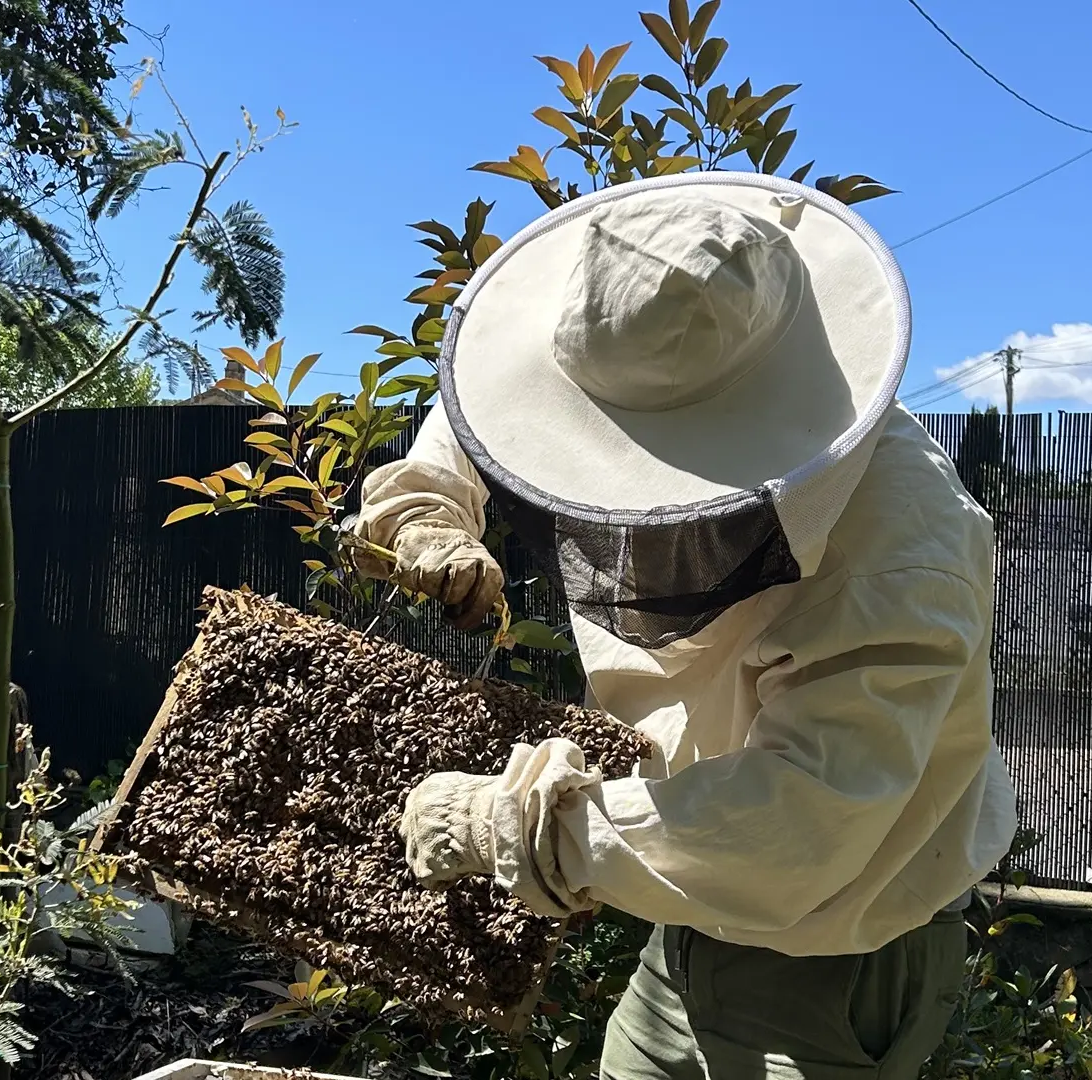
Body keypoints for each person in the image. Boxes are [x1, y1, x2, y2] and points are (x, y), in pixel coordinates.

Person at [352, 171, 1016, 1080]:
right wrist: (426, 508)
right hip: (691, 900)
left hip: (831, 949)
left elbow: (803, 820)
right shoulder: (647, 346)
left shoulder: (901, 555)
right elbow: (489, 404)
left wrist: (509, 828)